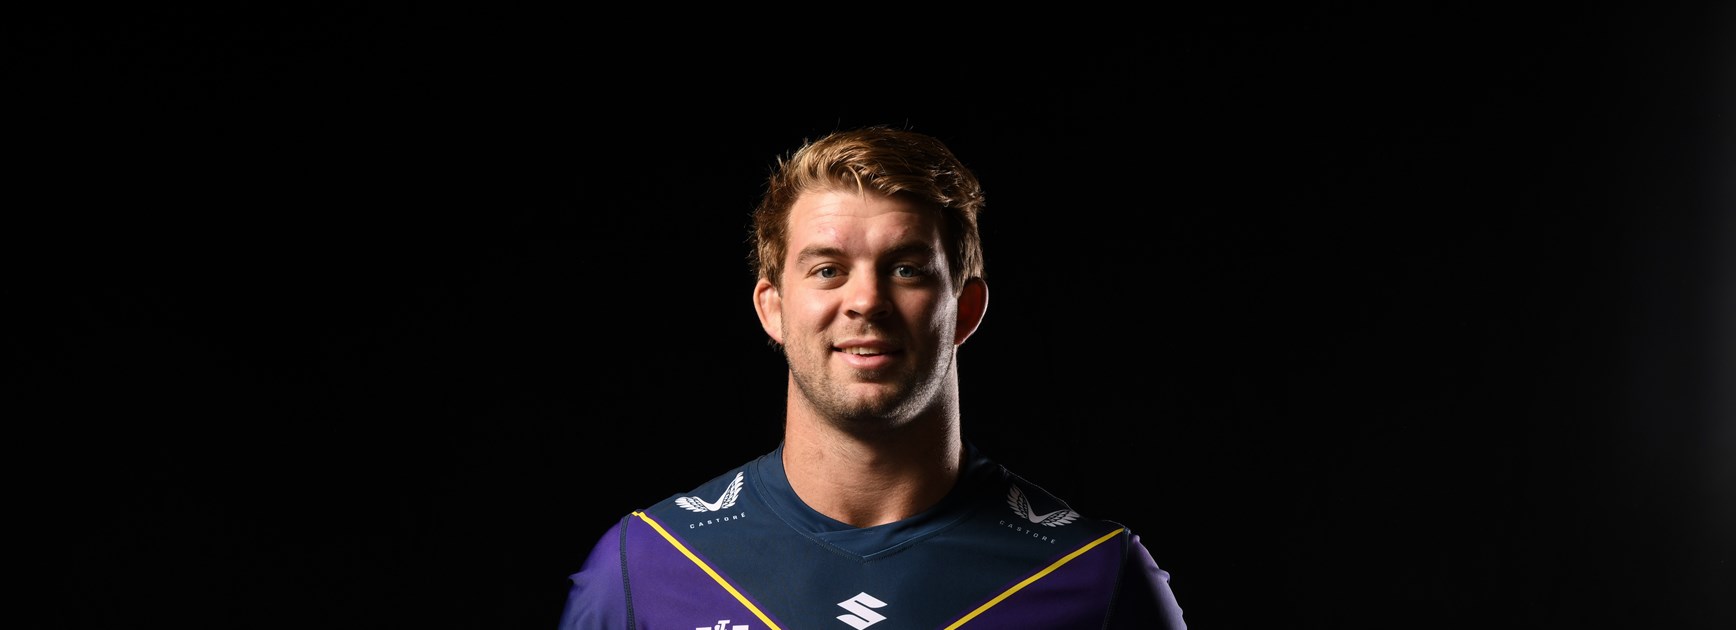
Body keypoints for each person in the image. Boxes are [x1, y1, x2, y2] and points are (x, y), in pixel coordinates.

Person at [557, 125, 1186, 629]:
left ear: (965, 309)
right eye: (828, 270)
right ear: (773, 309)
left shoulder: (1094, 578)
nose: (866, 301)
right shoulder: (648, 566)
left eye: (907, 268)